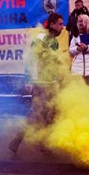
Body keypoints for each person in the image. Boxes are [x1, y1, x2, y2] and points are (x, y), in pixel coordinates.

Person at [9, 12, 64, 154]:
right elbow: (30, 59)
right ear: (52, 24)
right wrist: (28, 80)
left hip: (52, 83)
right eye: (59, 24)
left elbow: (52, 63)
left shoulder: (55, 41)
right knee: (35, 114)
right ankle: (17, 140)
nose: (62, 27)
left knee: (51, 114)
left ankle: (43, 143)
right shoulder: (41, 38)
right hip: (41, 83)